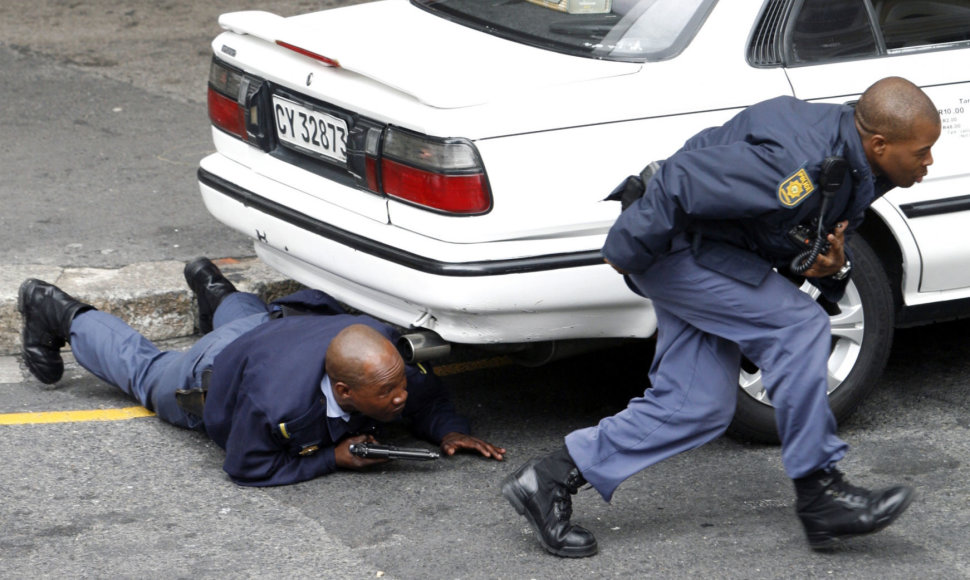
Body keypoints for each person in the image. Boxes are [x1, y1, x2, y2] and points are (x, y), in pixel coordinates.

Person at [502, 76, 941, 556]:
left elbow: (809, 237)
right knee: (799, 324)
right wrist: (625, 248)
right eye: (922, 151)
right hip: (678, 247)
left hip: (717, 250)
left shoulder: (856, 166)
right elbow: (681, 180)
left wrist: (831, 267)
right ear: (880, 143)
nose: (929, 162)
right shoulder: (797, 160)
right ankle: (821, 493)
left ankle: (544, 480)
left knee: (698, 404)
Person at [18, 258, 505, 486]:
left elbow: (426, 395)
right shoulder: (277, 404)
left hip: (272, 329)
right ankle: (58, 310)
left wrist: (451, 430)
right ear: (344, 390)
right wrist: (331, 459)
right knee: (144, 373)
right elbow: (245, 465)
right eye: (389, 393)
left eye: (400, 384)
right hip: (214, 369)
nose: (402, 395)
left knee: (252, 326)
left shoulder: (382, 362)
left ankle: (215, 290)